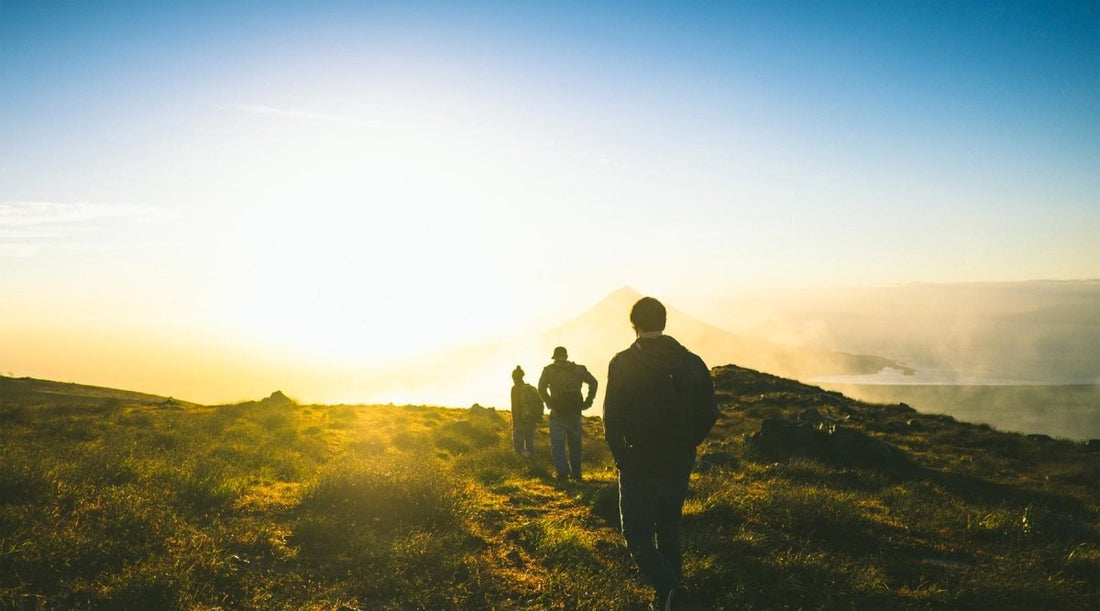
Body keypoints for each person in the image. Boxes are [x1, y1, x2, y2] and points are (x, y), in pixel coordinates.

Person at [603, 297, 718, 610]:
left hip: (639, 459)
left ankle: (670, 590)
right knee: (668, 530)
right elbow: (709, 411)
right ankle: (671, 598)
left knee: (636, 535)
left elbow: (612, 417)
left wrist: (621, 455)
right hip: (678, 459)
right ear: (664, 323)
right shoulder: (691, 361)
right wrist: (689, 442)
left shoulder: (623, 362)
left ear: (634, 324)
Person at [538, 346, 598, 483]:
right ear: (566, 356)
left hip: (557, 413)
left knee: (557, 445)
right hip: (575, 412)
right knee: (575, 445)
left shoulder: (549, 370)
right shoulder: (578, 369)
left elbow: (541, 388)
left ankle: (563, 474)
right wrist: (588, 402)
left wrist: (550, 403)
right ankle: (576, 474)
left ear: (555, 356)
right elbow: (594, 382)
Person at [509, 365, 543, 457]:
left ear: (513, 377)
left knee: (519, 448)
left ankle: (529, 460)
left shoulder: (515, 389)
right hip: (531, 421)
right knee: (530, 445)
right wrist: (537, 418)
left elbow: (514, 407)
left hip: (520, 421)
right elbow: (540, 403)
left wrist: (514, 424)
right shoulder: (531, 389)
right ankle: (534, 465)